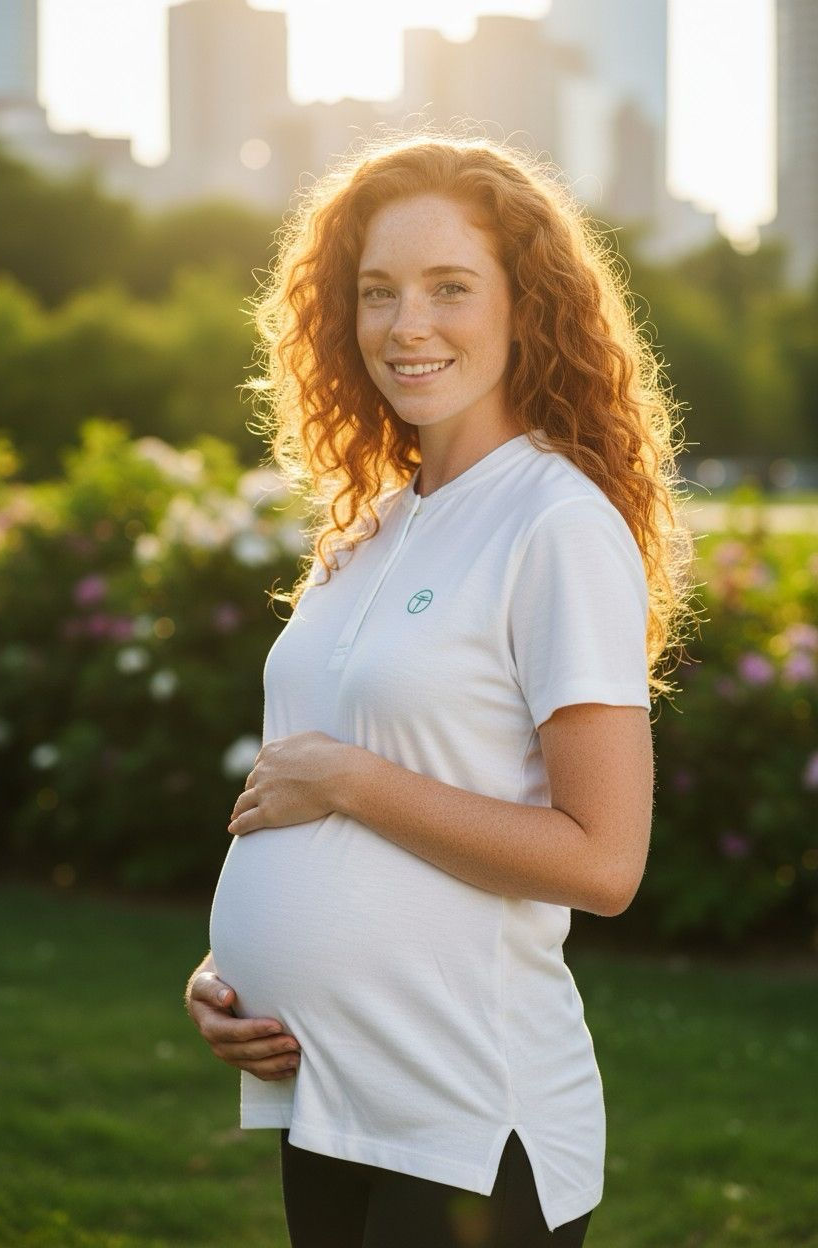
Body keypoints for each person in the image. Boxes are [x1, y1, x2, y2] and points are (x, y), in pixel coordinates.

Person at [185, 129, 695, 1247]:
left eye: (449, 287)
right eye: (376, 292)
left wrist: (351, 781)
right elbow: (307, 810)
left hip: (470, 1123)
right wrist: (229, 973)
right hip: (326, 1099)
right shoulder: (370, 530)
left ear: (528, 306)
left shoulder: (555, 523)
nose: (406, 325)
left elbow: (603, 863)